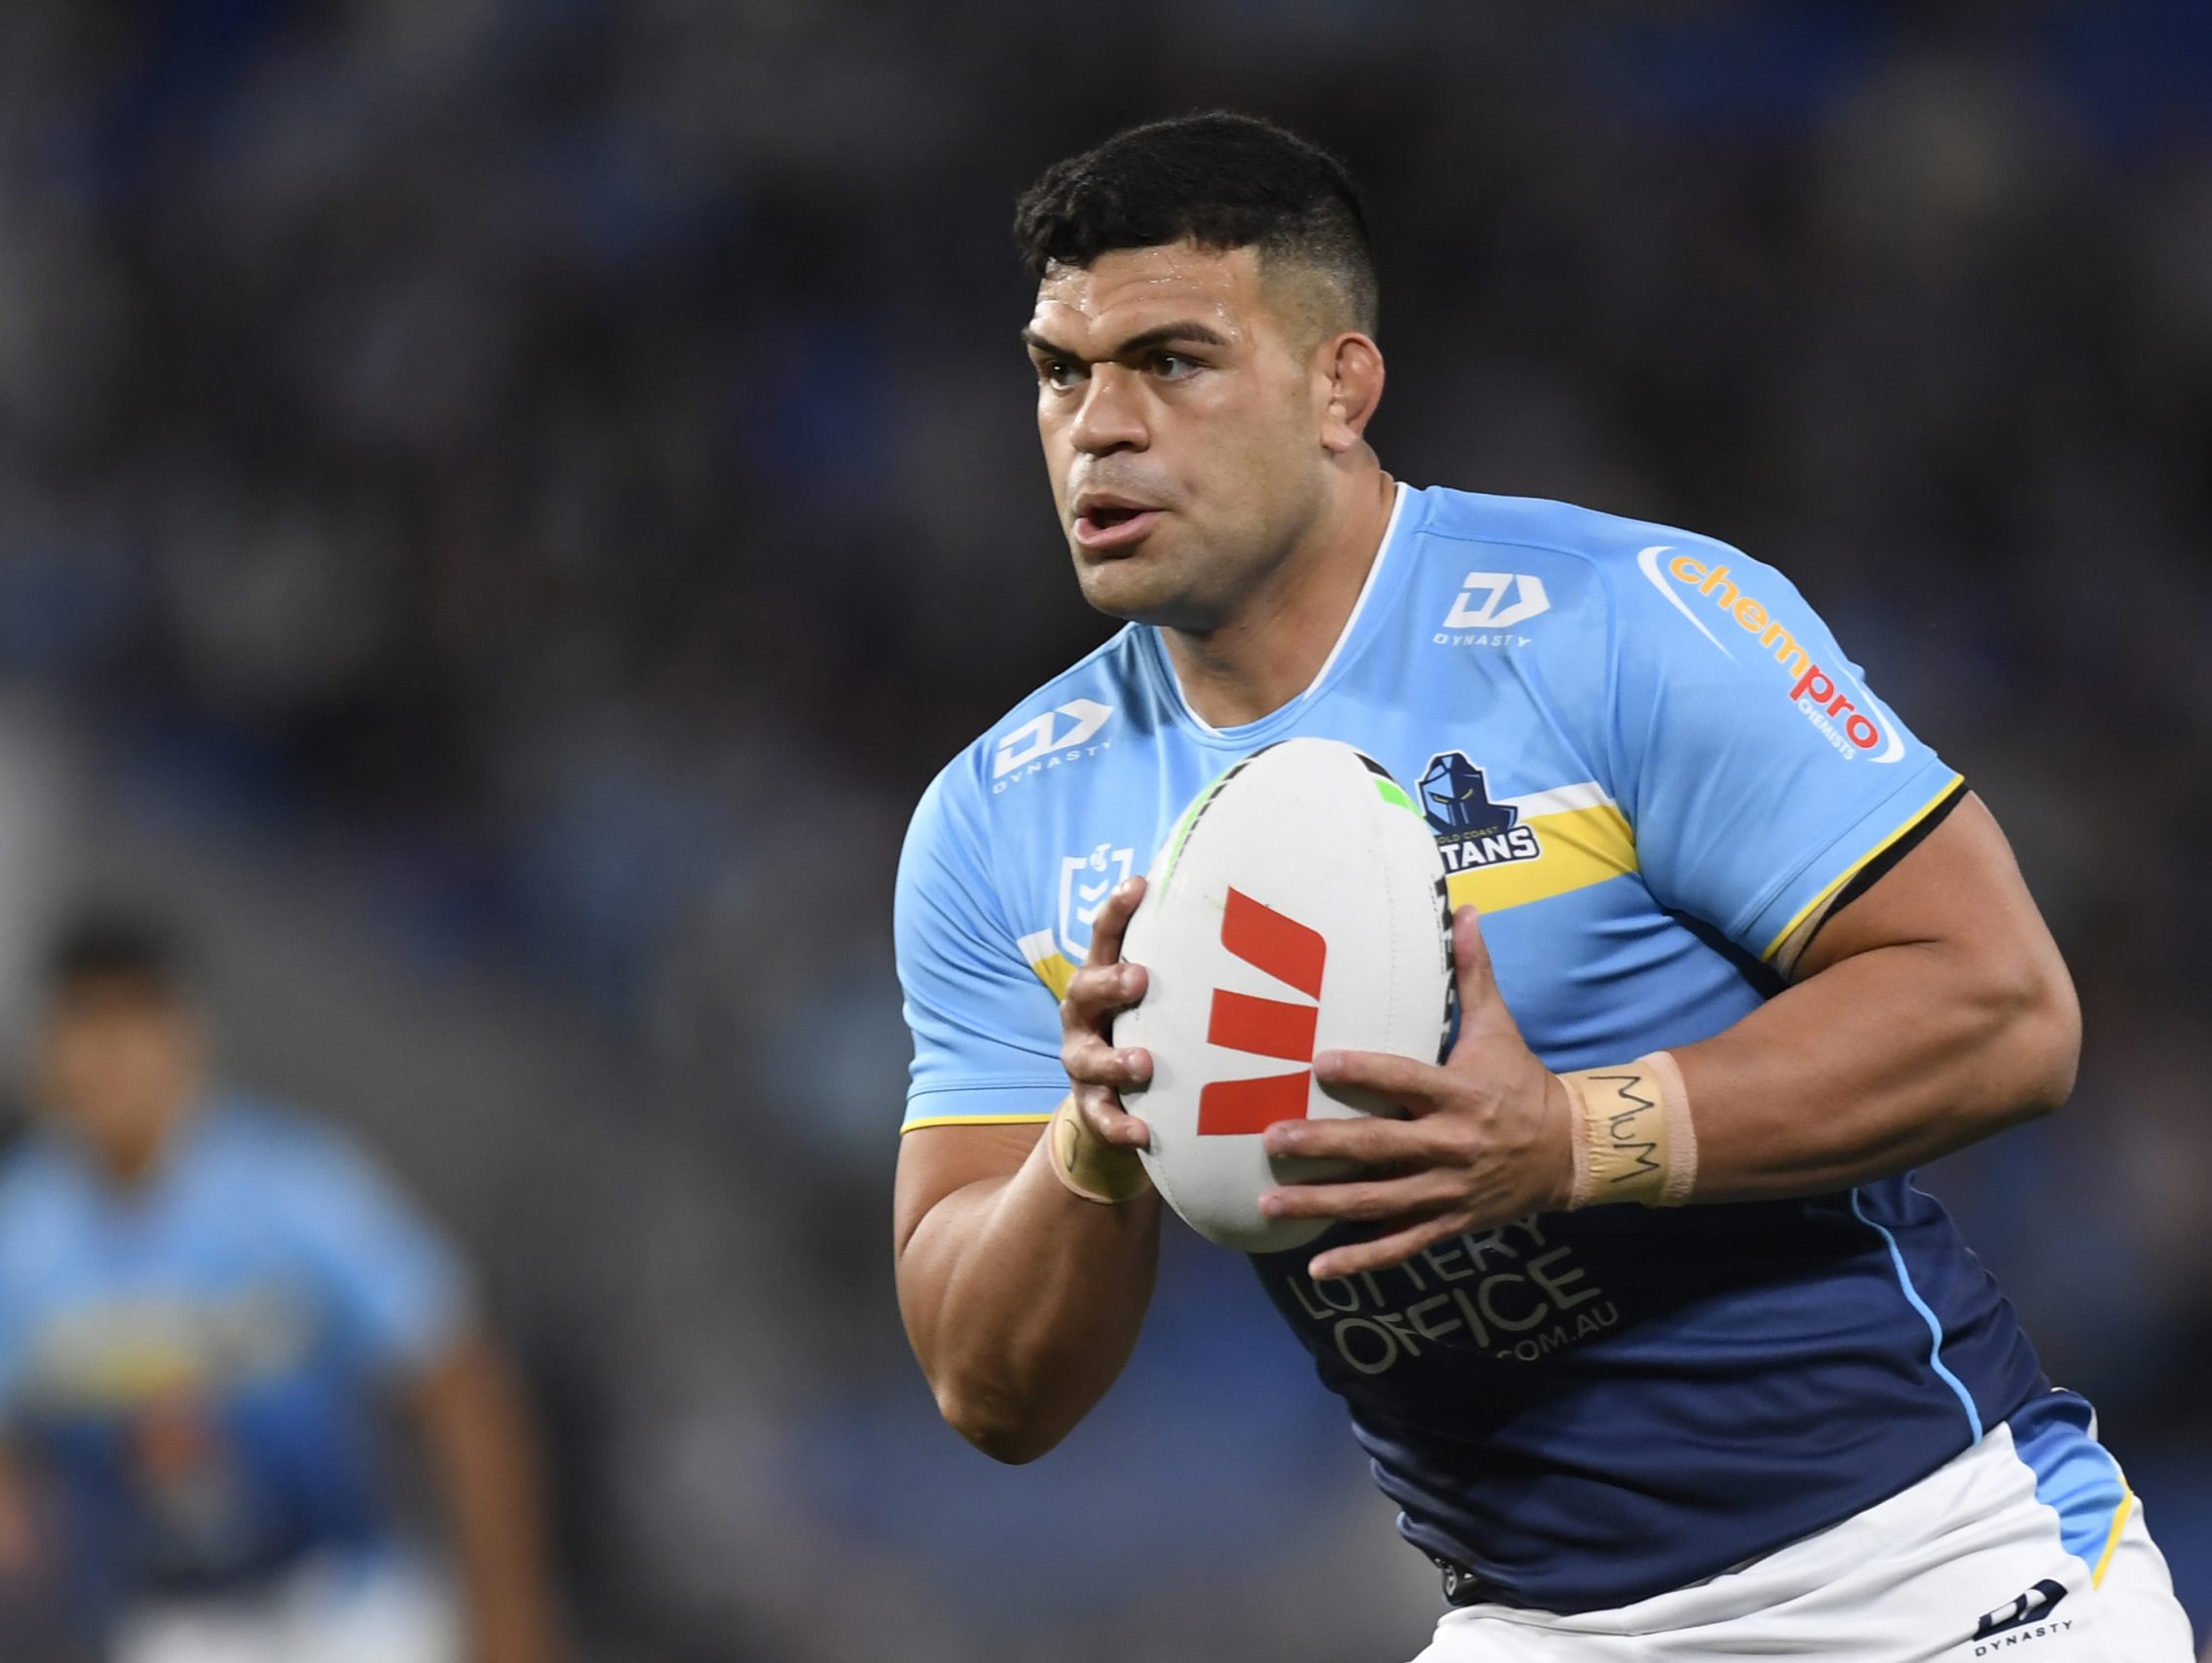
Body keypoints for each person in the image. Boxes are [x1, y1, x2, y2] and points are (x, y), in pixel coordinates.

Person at [890, 112, 2195, 1660]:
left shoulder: (1621, 624)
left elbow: (2005, 1009)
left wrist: (1575, 1136)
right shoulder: (1001, 819)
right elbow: (990, 1388)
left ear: (1340, 387)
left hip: (1936, 1566)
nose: (1099, 424)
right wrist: (1090, 1149)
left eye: (1172, 359)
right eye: (1060, 370)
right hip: (1540, 1623)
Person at [0, 912, 563, 1663]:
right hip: (174, 1621)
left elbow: (461, 1386)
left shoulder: (291, 1188)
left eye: (135, 1021)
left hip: (342, 1610)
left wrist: (510, 1613)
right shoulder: (8, 1235)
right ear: (42, 1050)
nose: (110, 1057)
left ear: (187, 1036)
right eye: (84, 1024)